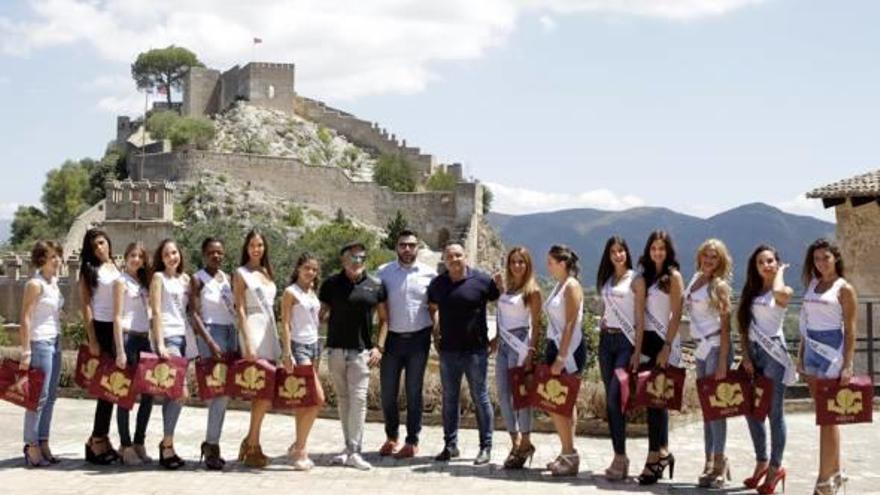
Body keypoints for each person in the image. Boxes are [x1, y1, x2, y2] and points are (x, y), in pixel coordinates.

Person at [429, 243, 499, 465]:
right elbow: (432, 307)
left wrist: (497, 338)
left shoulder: (482, 281)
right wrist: (435, 331)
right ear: (444, 260)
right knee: (449, 399)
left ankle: (485, 447)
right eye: (450, 256)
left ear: (465, 256)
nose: (454, 259)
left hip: (476, 351)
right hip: (448, 351)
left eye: (458, 255)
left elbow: (503, 305)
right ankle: (450, 446)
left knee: (480, 398)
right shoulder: (438, 284)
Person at [320, 241, 387, 471]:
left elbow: (384, 318)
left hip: (361, 352)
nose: (358, 261)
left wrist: (379, 347)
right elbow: (321, 313)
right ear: (343, 260)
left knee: (358, 400)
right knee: (342, 400)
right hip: (336, 350)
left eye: (361, 257)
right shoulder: (330, 284)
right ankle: (348, 448)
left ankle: (355, 450)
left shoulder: (375, 284)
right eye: (353, 257)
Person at [797, 238, 857, 495]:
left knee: (827, 418)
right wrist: (800, 356)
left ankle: (823, 481)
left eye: (826, 258)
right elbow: (805, 321)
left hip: (832, 351)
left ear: (836, 259)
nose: (821, 263)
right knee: (824, 417)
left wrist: (848, 363)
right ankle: (836, 472)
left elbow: (852, 329)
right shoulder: (812, 283)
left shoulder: (845, 289)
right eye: (817, 259)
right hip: (811, 350)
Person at [738, 245, 796, 494]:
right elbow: (743, 325)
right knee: (751, 410)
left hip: (774, 355)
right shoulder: (752, 291)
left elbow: (780, 293)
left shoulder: (782, 290)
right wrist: (746, 355)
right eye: (761, 262)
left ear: (778, 262)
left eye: (770, 261)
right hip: (754, 352)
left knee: (774, 412)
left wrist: (780, 272)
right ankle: (761, 460)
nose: (766, 265)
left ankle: (775, 468)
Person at [375, 230, 436, 459]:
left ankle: (412, 441)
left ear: (418, 247)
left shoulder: (430, 274)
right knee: (387, 393)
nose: (407, 249)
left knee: (413, 393)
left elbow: (435, 307)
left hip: (418, 341)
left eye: (411, 245)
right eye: (403, 245)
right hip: (391, 341)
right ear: (396, 247)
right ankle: (392, 437)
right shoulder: (383, 272)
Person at [632, 230, 683, 485]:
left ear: (668, 251)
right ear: (648, 250)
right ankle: (661, 453)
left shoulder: (673, 277)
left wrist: (667, 346)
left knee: (658, 401)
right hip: (648, 343)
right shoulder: (646, 278)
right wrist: (637, 349)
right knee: (651, 401)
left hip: (666, 343)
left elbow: (676, 314)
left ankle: (655, 455)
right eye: (653, 248)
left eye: (662, 248)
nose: (657, 252)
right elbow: (640, 318)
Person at [685, 239, 734, 488]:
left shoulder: (720, 287)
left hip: (716, 348)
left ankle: (719, 461)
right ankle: (708, 461)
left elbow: (726, 327)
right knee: (706, 410)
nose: (708, 260)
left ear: (721, 261)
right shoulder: (694, 280)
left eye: (714, 257)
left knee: (716, 410)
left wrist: (724, 362)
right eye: (706, 255)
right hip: (700, 349)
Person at [234, 229, 282, 468]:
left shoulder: (266, 272)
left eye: (260, 245)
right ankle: (253, 445)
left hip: (269, 331)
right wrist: (248, 342)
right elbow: (240, 308)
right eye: (252, 245)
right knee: (260, 391)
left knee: (267, 393)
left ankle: (251, 440)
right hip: (253, 329)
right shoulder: (241, 273)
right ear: (246, 247)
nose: (256, 249)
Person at [491, 246, 541, 469]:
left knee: (520, 397)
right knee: (502, 394)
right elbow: (502, 315)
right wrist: (495, 338)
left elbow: (537, 325)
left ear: (527, 264)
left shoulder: (532, 291)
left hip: (520, 344)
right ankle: (515, 442)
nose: (517, 265)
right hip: (503, 345)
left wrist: (531, 352)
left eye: (521, 261)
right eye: (513, 261)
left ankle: (527, 442)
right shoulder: (508, 288)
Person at [190, 237, 238, 470]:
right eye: (211, 252)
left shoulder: (227, 279)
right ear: (204, 254)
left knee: (225, 393)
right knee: (217, 393)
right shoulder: (198, 279)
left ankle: (212, 442)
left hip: (229, 331)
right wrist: (209, 342)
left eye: (219, 252)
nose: (216, 256)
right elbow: (194, 314)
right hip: (211, 333)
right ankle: (211, 445)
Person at [542, 245, 588, 476]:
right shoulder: (559, 286)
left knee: (561, 403)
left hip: (568, 351)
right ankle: (566, 451)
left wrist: (561, 357)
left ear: (562, 263)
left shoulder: (572, 286)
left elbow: (571, 323)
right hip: (555, 345)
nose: (547, 266)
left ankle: (570, 454)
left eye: (550, 262)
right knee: (559, 403)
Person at [19, 240, 64, 467]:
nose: (57, 260)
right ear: (41, 259)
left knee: (51, 397)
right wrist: (26, 351)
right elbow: (25, 318)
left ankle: (43, 440)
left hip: (56, 340)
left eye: (58, 256)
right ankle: (31, 444)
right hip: (40, 343)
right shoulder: (35, 284)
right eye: (52, 256)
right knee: (38, 396)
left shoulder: (53, 282)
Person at [79, 228, 122, 464]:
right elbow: (85, 305)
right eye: (94, 245)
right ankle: (96, 440)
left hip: (116, 330)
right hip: (101, 329)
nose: (99, 248)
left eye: (102, 243)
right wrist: (92, 338)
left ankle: (101, 438)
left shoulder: (115, 266)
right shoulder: (89, 270)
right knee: (107, 389)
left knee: (114, 389)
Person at [280, 252, 326, 470]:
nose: (311, 273)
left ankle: (298, 447)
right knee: (317, 398)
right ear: (298, 268)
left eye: (314, 270)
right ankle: (300, 449)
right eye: (307, 268)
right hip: (299, 347)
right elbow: (286, 324)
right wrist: (287, 352)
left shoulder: (312, 292)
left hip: (314, 345)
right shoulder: (291, 293)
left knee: (303, 402)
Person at [149, 239, 192, 469]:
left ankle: (168, 445)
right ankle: (166, 444)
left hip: (184, 338)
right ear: (161, 258)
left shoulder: (185, 279)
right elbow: (155, 311)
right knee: (180, 392)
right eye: (167, 254)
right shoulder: (159, 278)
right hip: (169, 339)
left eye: (174, 252)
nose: (172, 257)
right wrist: (160, 342)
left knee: (171, 395)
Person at [596, 236, 636, 480]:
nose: (617, 255)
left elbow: (640, 314)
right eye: (613, 252)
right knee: (611, 405)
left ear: (626, 253)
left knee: (614, 399)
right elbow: (606, 307)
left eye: (621, 251)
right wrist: (603, 319)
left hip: (625, 343)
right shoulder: (608, 279)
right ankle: (618, 456)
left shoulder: (635, 279)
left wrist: (638, 348)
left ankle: (620, 456)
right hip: (606, 342)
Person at [113, 243, 154, 465]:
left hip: (144, 339)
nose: (136, 259)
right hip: (128, 339)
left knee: (148, 395)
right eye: (132, 255)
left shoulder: (144, 283)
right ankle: (125, 445)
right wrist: (120, 350)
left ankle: (139, 442)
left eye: (140, 256)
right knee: (125, 396)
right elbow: (117, 316)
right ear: (125, 258)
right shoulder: (120, 281)